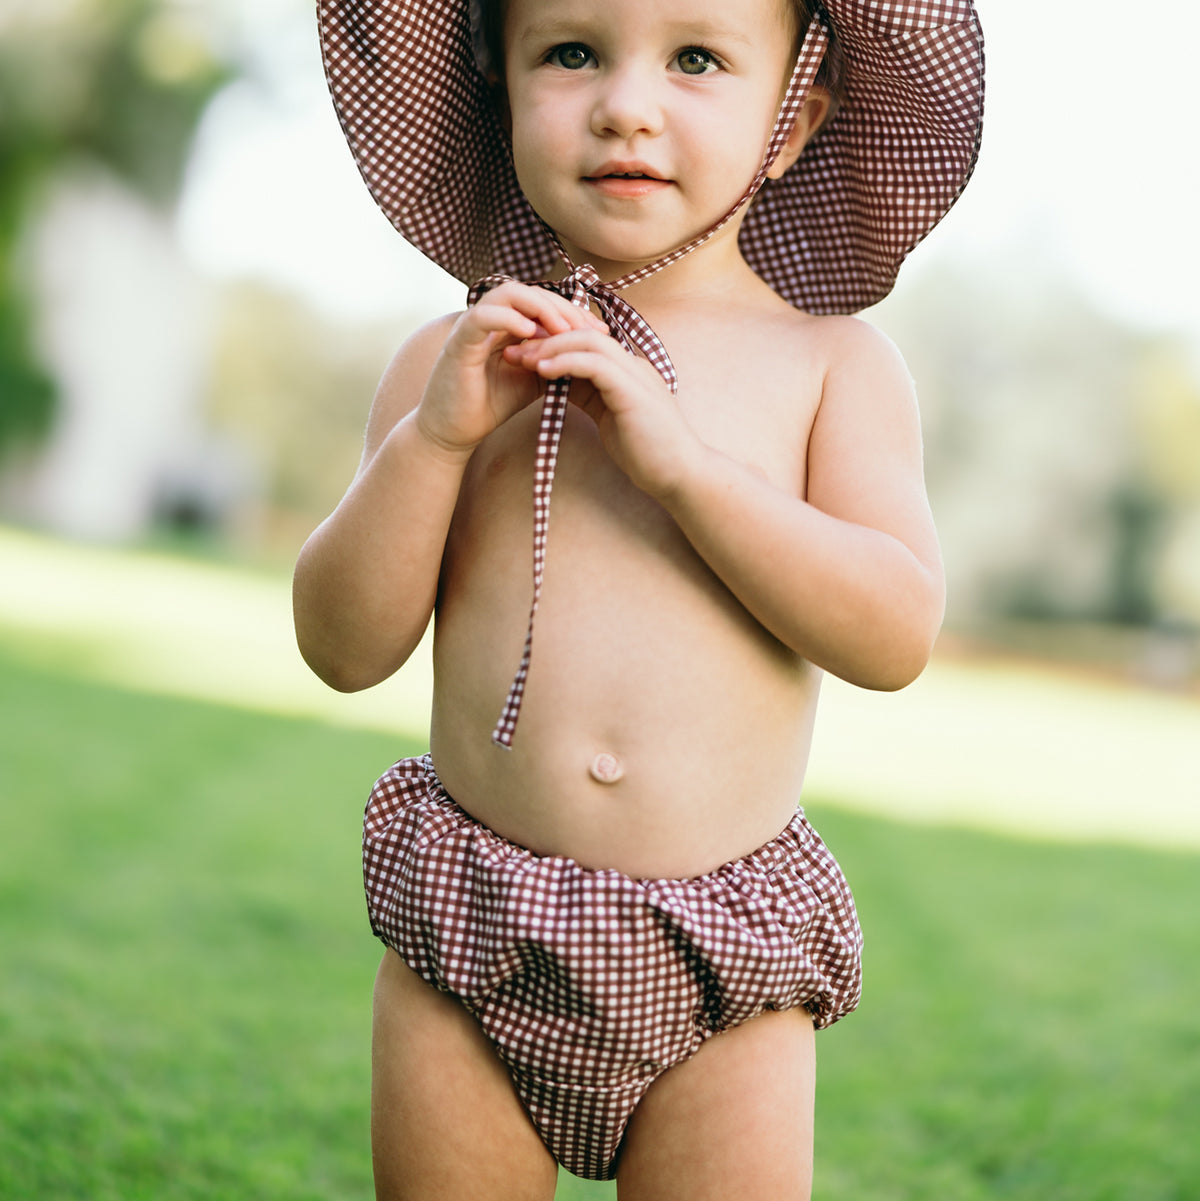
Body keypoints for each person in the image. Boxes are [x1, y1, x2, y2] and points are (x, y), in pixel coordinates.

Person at [297, 0, 984, 1195]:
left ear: (793, 120)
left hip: (723, 962)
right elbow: (343, 648)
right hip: (477, 923)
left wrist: (689, 471)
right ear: (499, 89)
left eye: (697, 58)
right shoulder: (452, 362)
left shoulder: (831, 365)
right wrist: (435, 442)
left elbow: (893, 634)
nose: (626, 105)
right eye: (570, 51)